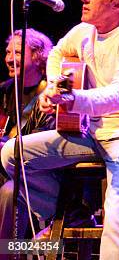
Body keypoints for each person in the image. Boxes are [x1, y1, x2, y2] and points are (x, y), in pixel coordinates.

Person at [1, 0, 119, 259]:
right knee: (13, 152)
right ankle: (72, 212)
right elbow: (58, 52)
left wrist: (71, 99)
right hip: (93, 133)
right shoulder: (83, 31)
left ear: (117, 3)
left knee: (117, 213)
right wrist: (52, 86)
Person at [0, 29, 54, 245]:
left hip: (37, 178)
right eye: (7, 52)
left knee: (9, 193)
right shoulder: (3, 92)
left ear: (39, 56)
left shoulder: (50, 95)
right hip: (4, 171)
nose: (10, 59)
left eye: (18, 53)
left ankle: (7, 253)